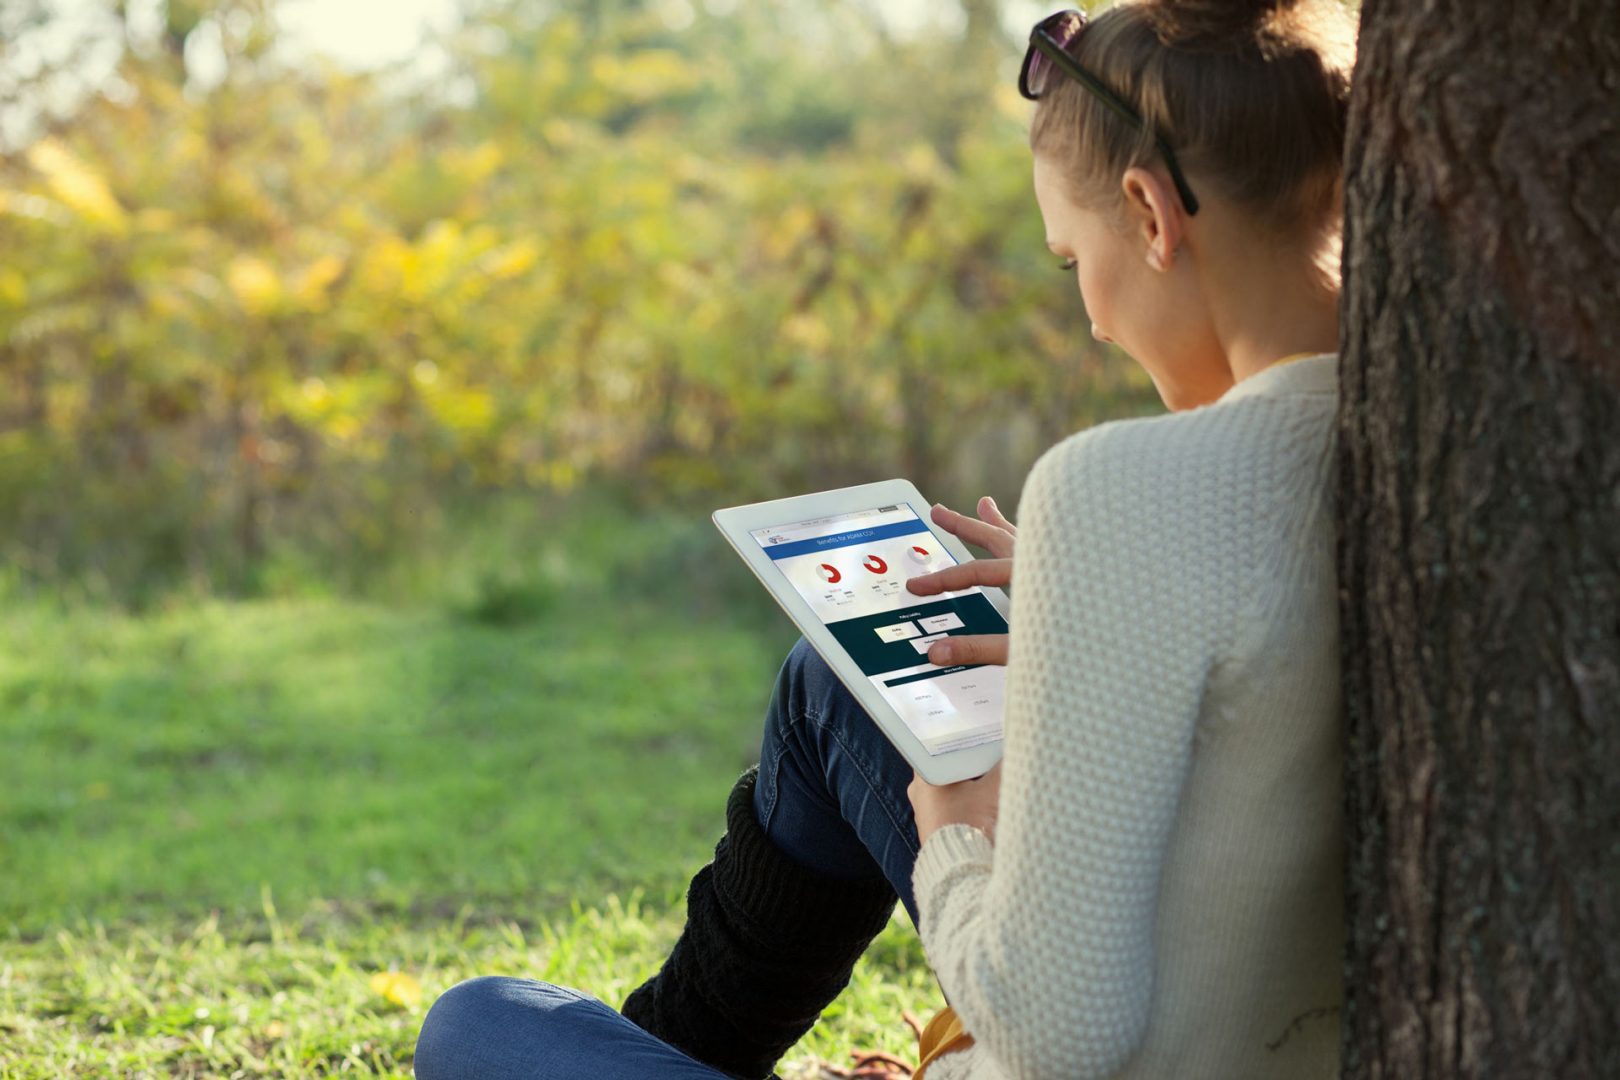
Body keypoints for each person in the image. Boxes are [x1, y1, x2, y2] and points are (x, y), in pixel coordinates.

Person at [413, 0, 1355, 1076]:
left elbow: (1060, 1029)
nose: (1092, 315)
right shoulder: (1419, 441)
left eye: (1068, 260)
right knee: (837, 680)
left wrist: (954, 828)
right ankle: (667, 1046)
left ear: (1149, 214)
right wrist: (1069, 611)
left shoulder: (1117, 487)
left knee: (479, 1025)